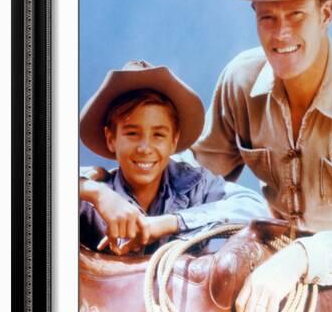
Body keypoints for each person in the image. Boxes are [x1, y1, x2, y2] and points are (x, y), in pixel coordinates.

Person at [192, 0, 332, 312]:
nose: (280, 33)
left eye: (296, 14)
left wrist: (297, 260)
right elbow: (197, 181)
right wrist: (105, 184)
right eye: (267, 17)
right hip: (265, 250)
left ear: (327, 13)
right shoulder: (240, 80)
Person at [79, 59, 267, 256]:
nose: (145, 148)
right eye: (132, 134)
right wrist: (96, 193)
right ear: (111, 139)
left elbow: (256, 208)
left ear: (173, 141)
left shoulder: (196, 187)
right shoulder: (95, 193)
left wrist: (170, 222)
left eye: (158, 135)